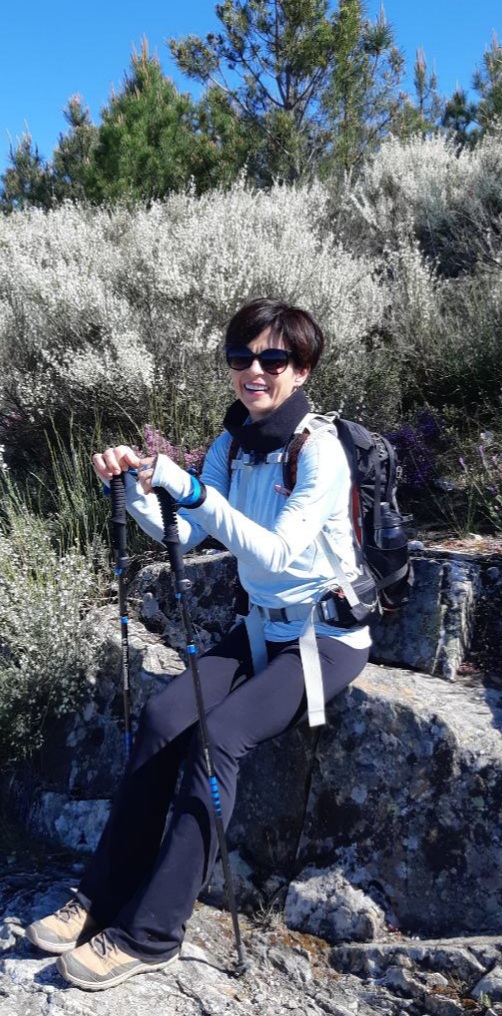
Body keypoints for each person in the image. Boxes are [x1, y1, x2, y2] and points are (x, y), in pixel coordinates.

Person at [25, 297, 371, 991]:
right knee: (161, 718)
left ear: (302, 369)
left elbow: (275, 552)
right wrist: (133, 489)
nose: (254, 371)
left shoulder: (320, 453)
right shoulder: (232, 443)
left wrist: (188, 489)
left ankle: (152, 933)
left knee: (219, 741)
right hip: (260, 627)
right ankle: (102, 894)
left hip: (326, 638)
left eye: (274, 359)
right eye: (241, 356)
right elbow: (183, 533)